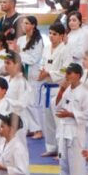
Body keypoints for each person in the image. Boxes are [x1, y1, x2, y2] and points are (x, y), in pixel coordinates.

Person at [53, 63, 88, 175]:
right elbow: (57, 106)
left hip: (76, 132)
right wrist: (61, 89)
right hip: (64, 130)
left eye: (69, 73)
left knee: (77, 165)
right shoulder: (67, 90)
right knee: (63, 163)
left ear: (78, 75)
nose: (67, 76)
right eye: (66, 73)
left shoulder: (85, 93)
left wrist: (70, 114)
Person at [37, 22, 70, 157]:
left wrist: (49, 73)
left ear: (62, 36)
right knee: (48, 120)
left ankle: (62, 150)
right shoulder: (46, 48)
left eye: (54, 34)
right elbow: (42, 64)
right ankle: (51, 147)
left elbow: (65, 71)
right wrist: (41, 72)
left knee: (59, 121)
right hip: (46, 88)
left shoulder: (65, 50)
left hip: (58, 89)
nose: (51, 36)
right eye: (50, 33)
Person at [17, 17, 44, 138]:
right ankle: (29, 127)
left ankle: (38, 129)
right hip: (21, 73)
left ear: (33, 25)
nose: (23, 25)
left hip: (32, 74)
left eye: (26, 23)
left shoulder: (38, 41)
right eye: (23, 23)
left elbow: (33, 59)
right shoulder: (21, 39)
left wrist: (19, 54)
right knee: (23, 102)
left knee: (31, 102)